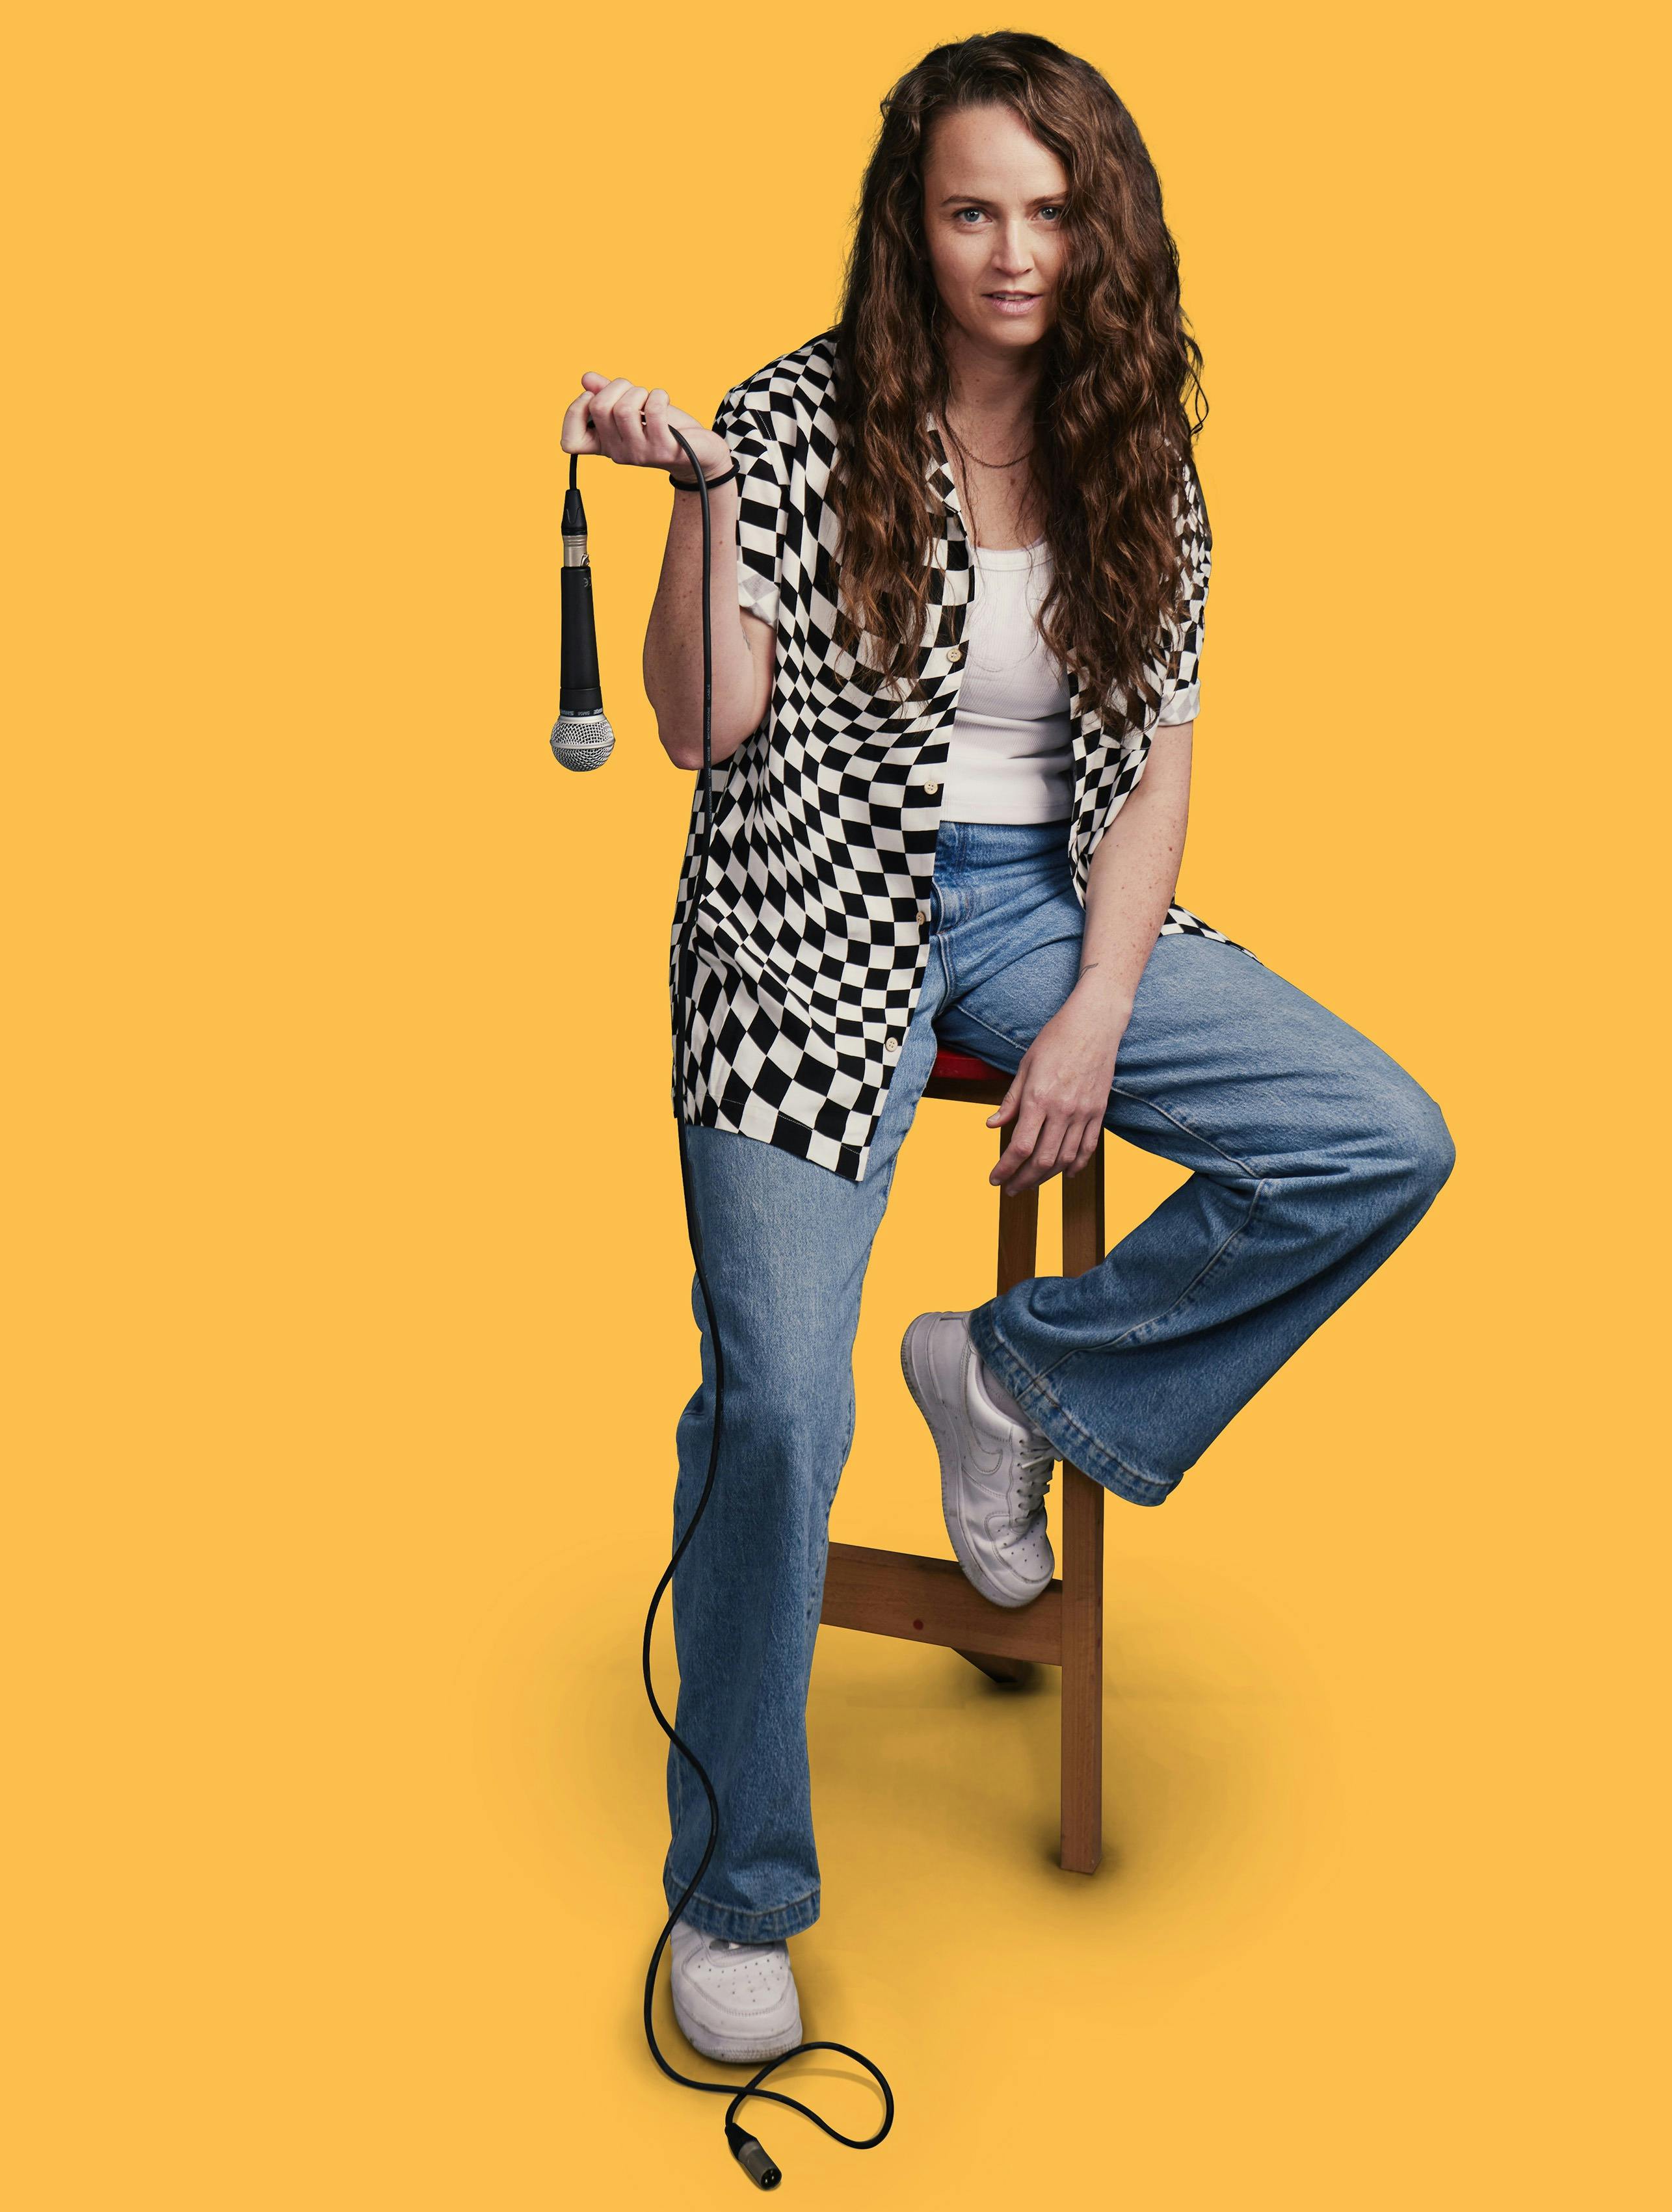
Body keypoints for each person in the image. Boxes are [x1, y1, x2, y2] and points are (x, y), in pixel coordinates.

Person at [561, 32, 1453, 2065]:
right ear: (914, 221)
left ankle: (1014, 1375)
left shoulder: (1139, 448)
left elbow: (1154, 778)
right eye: (973, 208)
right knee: (778, 1406)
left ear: (1102, 226)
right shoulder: (799, 419)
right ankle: (740, 1889)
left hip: (1048, 900)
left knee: (1376, 1136)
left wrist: (1102, 1002)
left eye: (1052, 212)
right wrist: (702, 498)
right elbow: (701, 733)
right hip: (806, 917)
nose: (1015, 252)